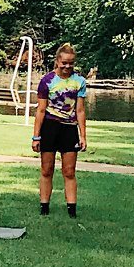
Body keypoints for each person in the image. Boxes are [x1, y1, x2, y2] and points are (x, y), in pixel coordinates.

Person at [32, 42, 91, 217]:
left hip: (69, 128)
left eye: (71, 63)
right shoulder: (47, 81)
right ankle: (44, 207)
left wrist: (83, 135)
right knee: (47, 169)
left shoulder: (79, 81)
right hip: (50, 127)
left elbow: (80, 111)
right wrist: (36, 136)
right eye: (64, 63)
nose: (67, 66)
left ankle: (72, 209)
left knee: (69, 171)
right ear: (57, 61)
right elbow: (41, 110)